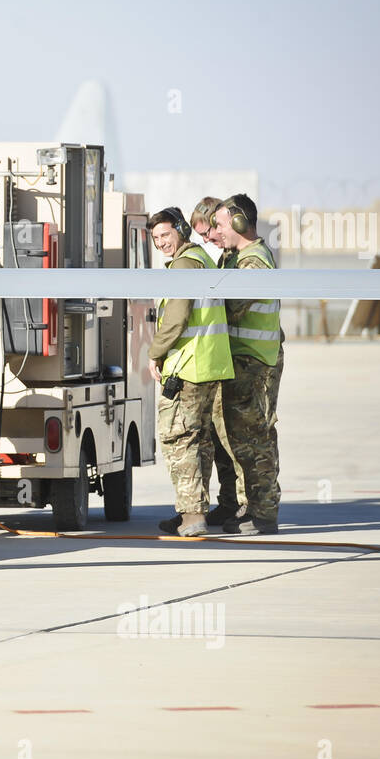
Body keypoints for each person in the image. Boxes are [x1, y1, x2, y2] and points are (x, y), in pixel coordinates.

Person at [147, 207, 234, 537]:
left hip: (189, 367)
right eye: (156, 239)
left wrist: (154, 354)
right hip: (210, 365)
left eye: (166, 235)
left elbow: (177, 317)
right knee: (200, 442)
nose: (161, 243)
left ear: (181, 231)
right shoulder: (201, 258)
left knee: (180, 440)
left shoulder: (184, 265)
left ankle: (192, 516)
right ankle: (195, 511)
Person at [208, 194, 283, 534]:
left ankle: (264, 512)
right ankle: (250, 506)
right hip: (243, 359)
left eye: (221, 224)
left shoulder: (254, 263)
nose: (217, 231)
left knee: (256, 438)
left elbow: (231, 306)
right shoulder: (237, 258)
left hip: (254, 361)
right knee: (243, 439)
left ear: (240, 222)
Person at [190, 196, 245, 529]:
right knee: (215, 440)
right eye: (201, 235)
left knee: (230, 440)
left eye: (208, 232)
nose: (207, 239)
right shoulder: (219, 257)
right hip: (217, 361)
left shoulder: (234, 259)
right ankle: (226, 503)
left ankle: (238, 503)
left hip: (232, 360)